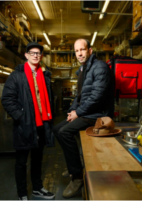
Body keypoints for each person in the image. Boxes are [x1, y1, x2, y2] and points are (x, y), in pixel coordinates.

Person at [53, 39, 114, 198]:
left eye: (82, 49)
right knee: (57, 129)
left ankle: (77, 177)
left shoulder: (99, 67)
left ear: (90, 51)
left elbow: (97, 97)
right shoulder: (83, 70)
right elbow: (78, 97)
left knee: (65, 133)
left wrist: (78, 113)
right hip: (86, 113)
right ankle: (75, 164)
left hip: (97, 115)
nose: (79, 53)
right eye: (76, 51)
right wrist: (72, 111)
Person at [2, 42, 55, 200]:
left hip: (41, 125)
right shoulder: (17, 75)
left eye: (38, 53)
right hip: (24, 126)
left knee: (38, 159)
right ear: (26, 55)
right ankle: (22, 193)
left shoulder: (44, 76)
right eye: (32, 53)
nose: (35, 55)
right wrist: (21, 116)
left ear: (41, 56)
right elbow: (7, 100)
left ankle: (37, 188)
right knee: (21, 162)